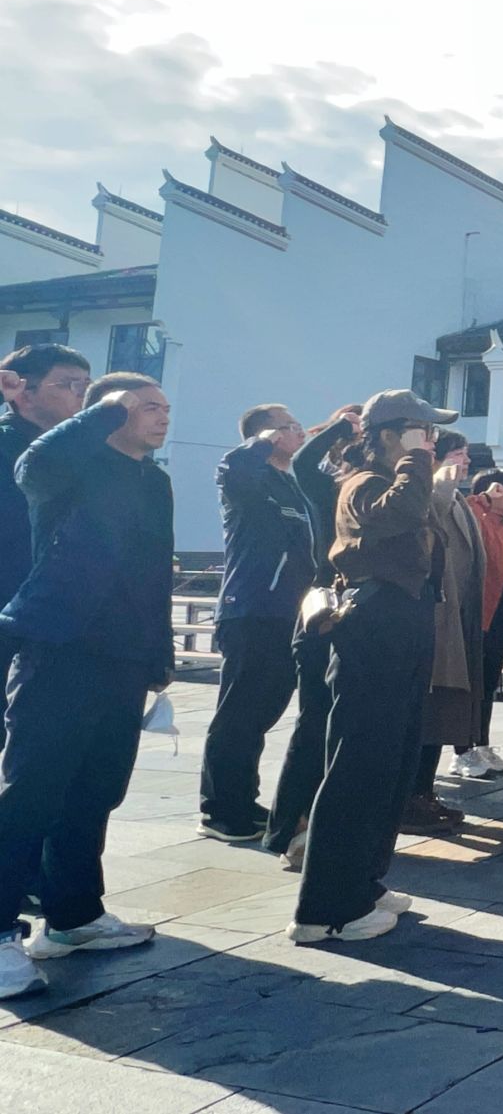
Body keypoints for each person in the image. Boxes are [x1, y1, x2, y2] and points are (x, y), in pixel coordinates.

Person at [0, 373, 171, 995]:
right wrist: (103, 411)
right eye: (147, 406)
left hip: (124, 657)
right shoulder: (70, 465)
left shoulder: (155, 480)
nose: (163, 416)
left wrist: (159, 653)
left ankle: (73, 917)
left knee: (95, 790)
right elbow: (35, 464)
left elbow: (156, 569)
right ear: (112, 412)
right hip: (59, 647)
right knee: (31, 792)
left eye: (166, 407)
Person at [290, 388, 451, 945]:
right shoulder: (364, 482)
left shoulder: (396, 478)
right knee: (359, 764)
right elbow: (399, 515)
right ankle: (326, 908)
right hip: (374, 623)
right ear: (388, 434)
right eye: (422, 431)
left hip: (402, 621)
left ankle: (364, 882)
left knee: (392, 764)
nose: (431, 442)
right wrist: (417, 461)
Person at [199, 403, 317, 843]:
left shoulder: (292, 484)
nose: (298, 431)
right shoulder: (247, 477)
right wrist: (261, 441)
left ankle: (242, 800)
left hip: (289, 612)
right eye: (289, 426)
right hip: (252, 609)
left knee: (263, 712)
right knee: (239, 714)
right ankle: (219, 810)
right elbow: (232, 470)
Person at [265, 404, 364, 869]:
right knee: (315, 724)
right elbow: (305, 462)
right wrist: (341, 426)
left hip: (357, 619)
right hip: (325, 616)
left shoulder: (371, 489)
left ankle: (320, 827)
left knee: (338, 727)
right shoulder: (328, 488)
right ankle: (292, 827)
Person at [0, 344, 91, 757]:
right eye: (68, 384)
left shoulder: (81, 451)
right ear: (23, 391)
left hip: (52, 614)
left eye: (85, 384)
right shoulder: (8, 444)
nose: (81, 394)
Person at [408, 431, 483, 827]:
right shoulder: (430, 494)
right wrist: (440, 488)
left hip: (459, 620)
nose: (465, 462)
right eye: (458, 454)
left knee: (443, 714)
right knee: (428, 713)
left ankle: (424, 791)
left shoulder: (458, 499)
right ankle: (413, 796)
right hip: (435, 621)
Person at [459, 469, 503, 778]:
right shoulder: (478, 518)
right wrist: (483, 499)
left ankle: (481, 742)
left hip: (502, 617)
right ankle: (463, 751)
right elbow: (466, 513)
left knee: (488, 683)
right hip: (480, 616)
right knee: (471, 684)